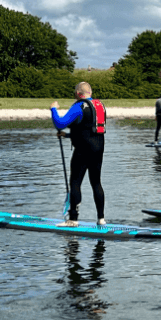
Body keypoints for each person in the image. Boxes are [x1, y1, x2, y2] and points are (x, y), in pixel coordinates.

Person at [51, 82, 107, 226]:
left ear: (77, 93)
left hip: (83, 150)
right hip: (98, 149)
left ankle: (73, 219)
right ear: (91, 92)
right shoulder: (100, 106)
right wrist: (68, 136)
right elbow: (88, 130)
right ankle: (101, 219)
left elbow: (60, 123)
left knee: (75, 182)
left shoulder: (79, 106)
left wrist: (53, 109)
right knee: (96, 182)